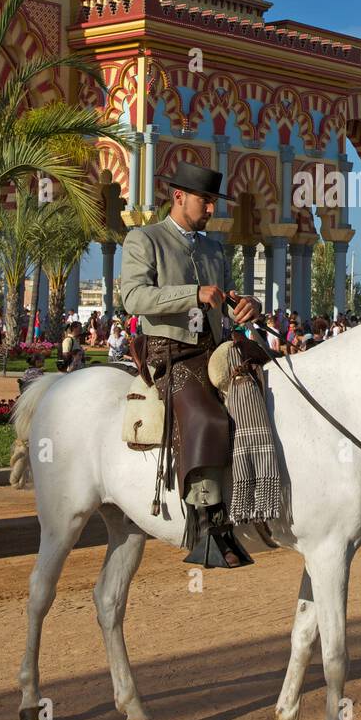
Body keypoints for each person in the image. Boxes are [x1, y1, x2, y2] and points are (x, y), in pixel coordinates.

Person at [121, 161, 262, 569]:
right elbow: (134, 297)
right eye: (206, 201)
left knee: (262, 397)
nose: (212, 210)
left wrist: (244, 306)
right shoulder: (144, 239)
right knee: (206, 418)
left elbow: (222, 298)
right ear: (179, 196)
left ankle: (260, 496)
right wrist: (193, 294)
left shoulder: (213, 248)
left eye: (214, 202)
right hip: (170, 353)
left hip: (214, 350)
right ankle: (207, 525)